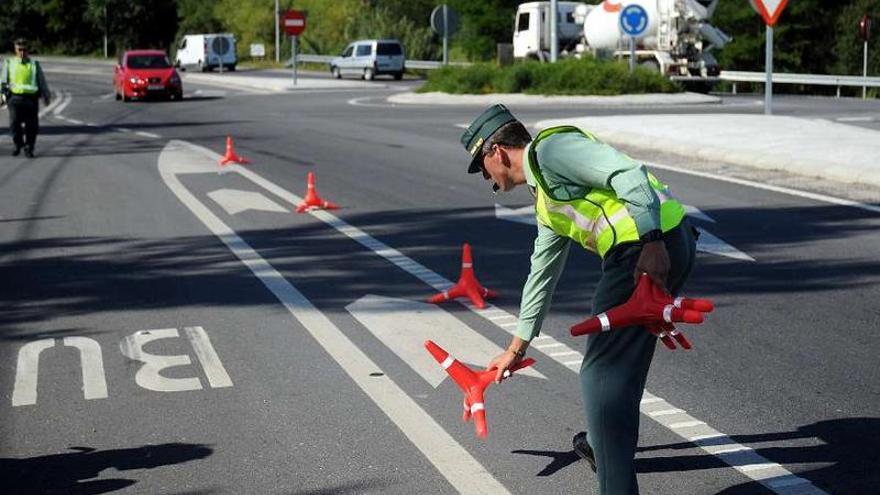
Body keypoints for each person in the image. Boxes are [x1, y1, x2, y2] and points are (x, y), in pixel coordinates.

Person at [461, 104, 697, 495]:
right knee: (620, 373)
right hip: (671, 242)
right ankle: (603, 443)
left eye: (482, 167)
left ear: (496, 152)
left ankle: (612, 472)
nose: (486, 177)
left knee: (599, 374)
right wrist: (516, 349)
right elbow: (542, 273)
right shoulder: (545, 199)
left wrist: (652, 243)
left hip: (641, 250)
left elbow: (629, 175)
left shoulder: (551, 152)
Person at [1, 38, 51, 158]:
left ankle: (29, 147)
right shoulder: (9, 63)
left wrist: (46, 95)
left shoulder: (34, 64)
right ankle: (18, 144)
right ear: (15, 50)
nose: (22, 52)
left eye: (25, 50)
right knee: (14, 124)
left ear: (28, 50)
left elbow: (42, 81)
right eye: (20, 50)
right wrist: (1, 96)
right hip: (14, 98)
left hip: (31, 100)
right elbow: (3, 81)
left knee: (32, 126)